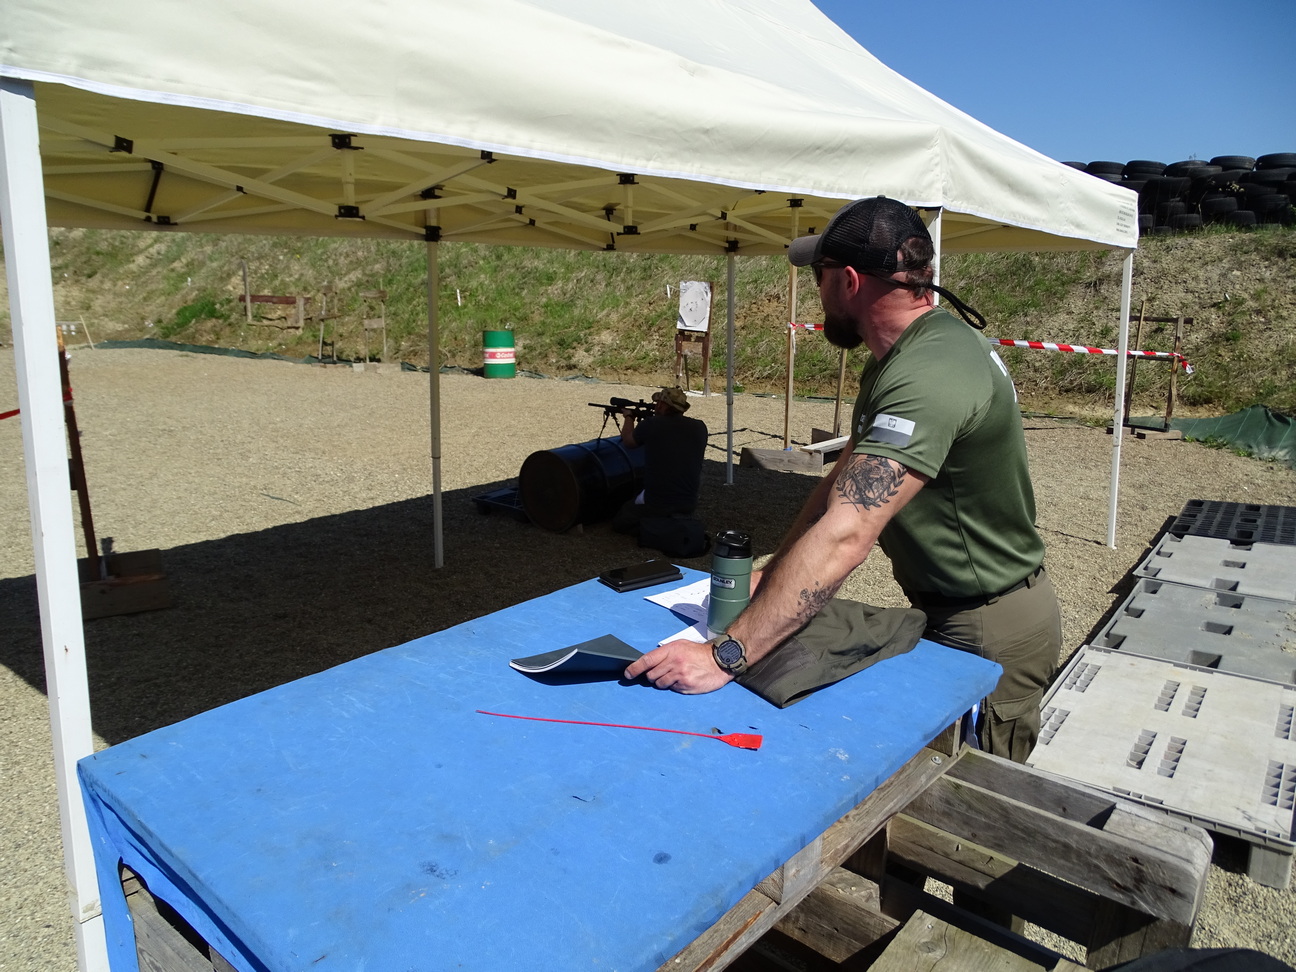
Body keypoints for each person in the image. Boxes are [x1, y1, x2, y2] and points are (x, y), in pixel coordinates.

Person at [625, 196, 1062, 763]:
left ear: (849, 281)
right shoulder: (901, 359)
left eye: (820, 274)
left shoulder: (927, 373)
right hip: (954, 611)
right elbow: (842, 486)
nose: (816, 289)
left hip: (988, 627)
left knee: (964, 797)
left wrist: (724, 656)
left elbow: (848, 531)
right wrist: (771, 576)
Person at [611, 386, 708, 538]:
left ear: (662, 405)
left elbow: (628, 442)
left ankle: (658, 528)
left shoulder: (652, 424)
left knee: (622, 520)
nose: (655, 406)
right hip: (689, 503)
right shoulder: (700, 427)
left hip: (657, 502)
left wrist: (629, 417)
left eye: (657, 403)